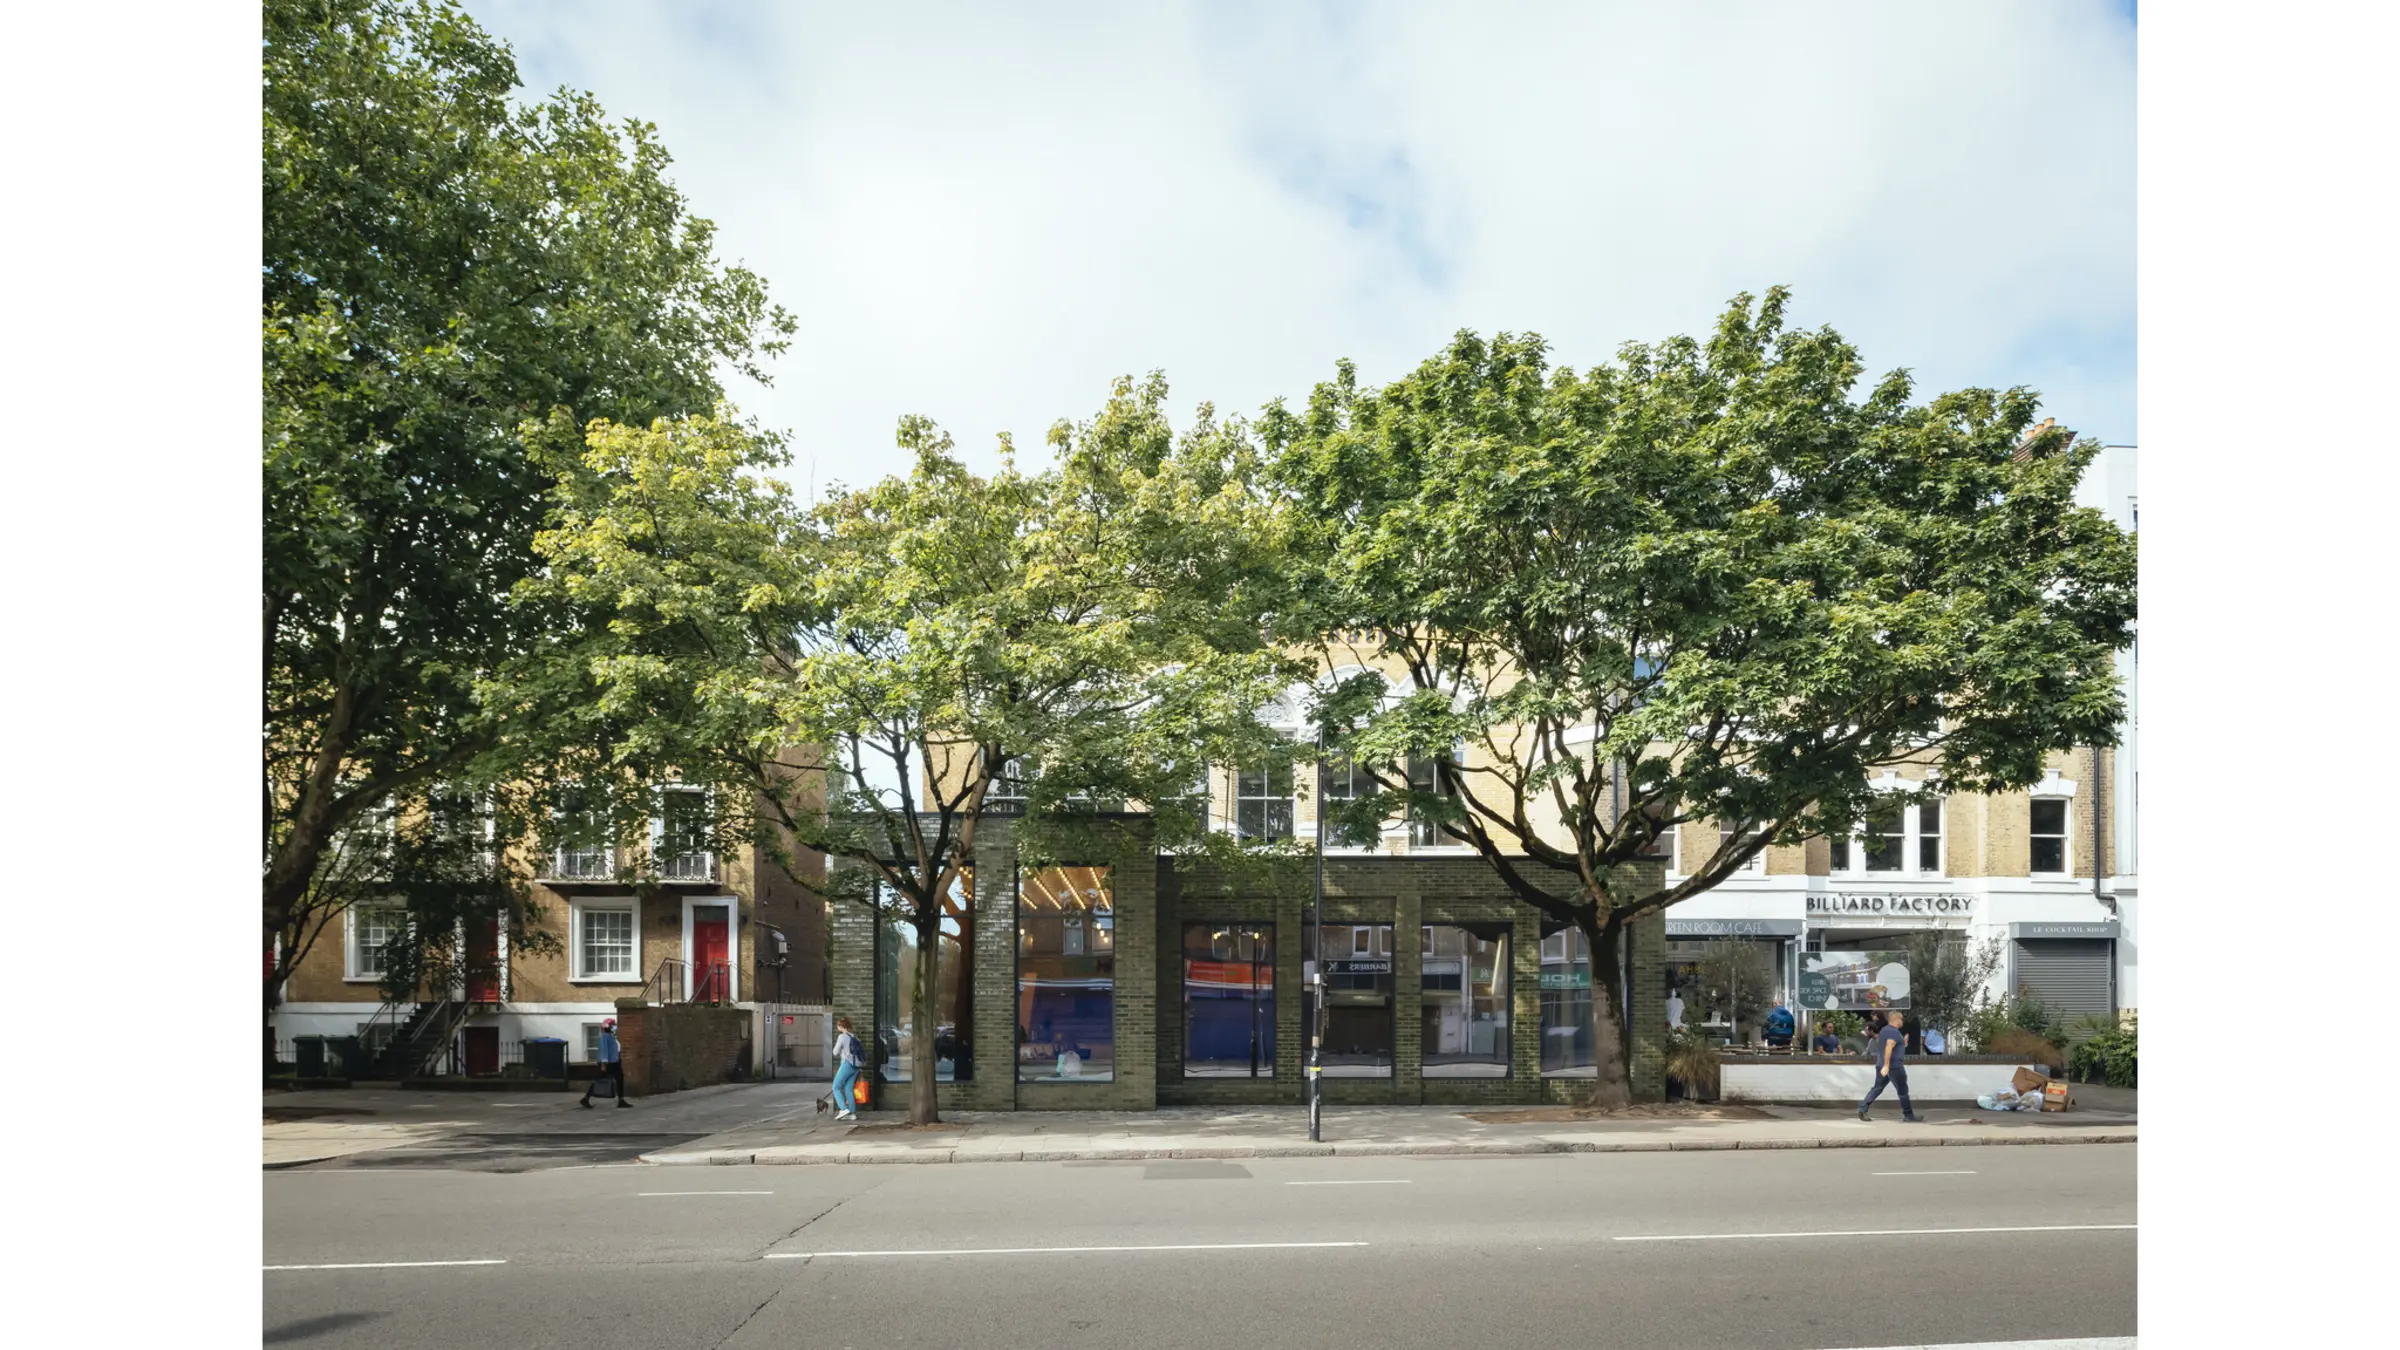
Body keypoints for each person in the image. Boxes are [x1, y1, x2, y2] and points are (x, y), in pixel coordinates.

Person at [1857, 1009, 1922, 1122]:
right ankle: (1909, 1115)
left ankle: (1863, 1109)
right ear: (1896, 1019)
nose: (1902, 1021)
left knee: (1877, 1088)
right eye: (1901, 1019)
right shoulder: (1893, 1032)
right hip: (1894, 1067)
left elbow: (1890, 1047)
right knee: (1903, 1091)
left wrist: (1903, 1044)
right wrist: (1887, 1066)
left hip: (1881, 1064)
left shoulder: (1885, 1030)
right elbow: (1888, 1047)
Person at [580, 1017, 630, 1109]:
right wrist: (603, 1064)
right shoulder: (604, 1036)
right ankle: (586, 1098)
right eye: (613, 1025)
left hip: (615, 1062)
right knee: (598, 1080)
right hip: (608, 1063)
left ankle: (621, 1100)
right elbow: (604, 1050)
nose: (615, 1026)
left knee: (619, 1079)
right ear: (608, 1026)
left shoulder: (612, 1036)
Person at [821, 1016, 864, 1121]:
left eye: (838, 1026)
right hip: (856, 1066)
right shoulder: (854, 1036)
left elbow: (835, 1052)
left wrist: (841, 1051)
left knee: (835, 1087)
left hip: (847, 1064)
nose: (837, 1028)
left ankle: (843, 1109)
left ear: (841, 1026)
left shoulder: (842, 1037)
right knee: (848, 1089)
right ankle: (852, 1114)